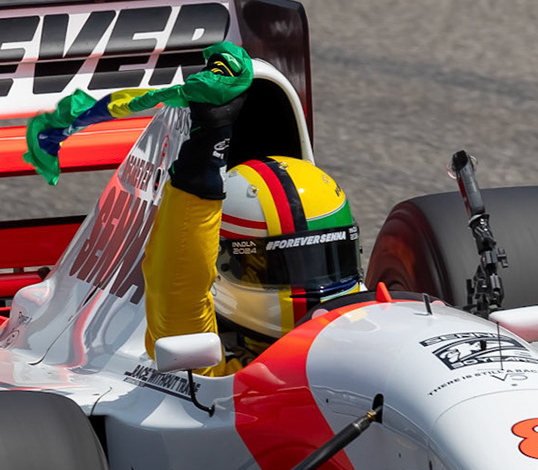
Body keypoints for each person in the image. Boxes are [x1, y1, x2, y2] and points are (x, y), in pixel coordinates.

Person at [23, 42, 363, 374]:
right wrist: (206, 148)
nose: (312, 286)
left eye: (329, 258)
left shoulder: (371, 327)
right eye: (275, 267)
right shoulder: (203, 363)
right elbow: (179, 284)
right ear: (216, 264)